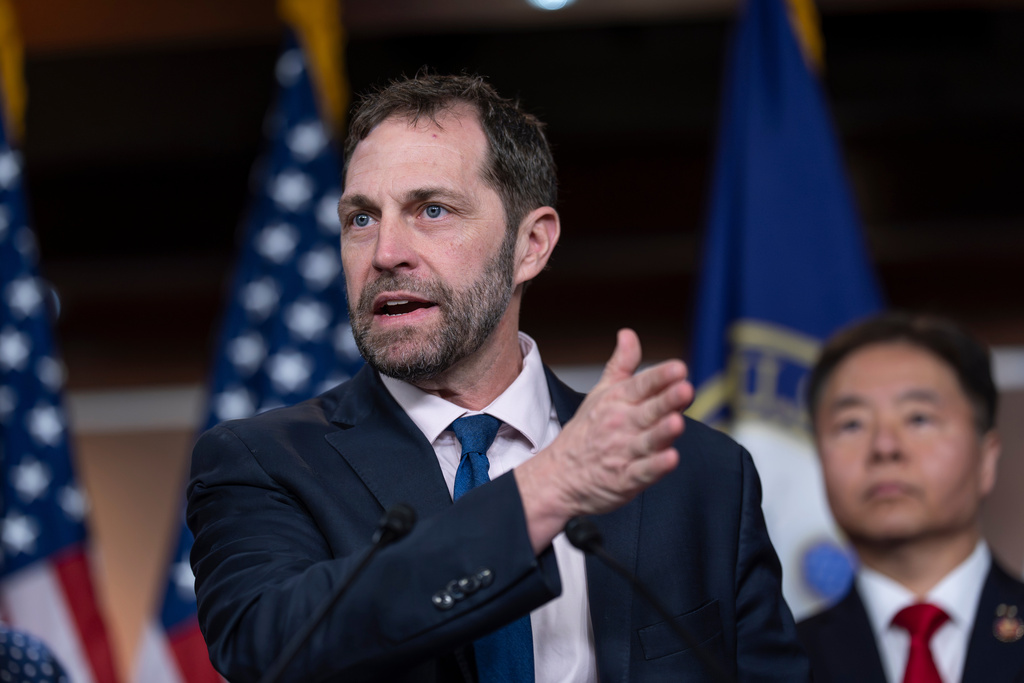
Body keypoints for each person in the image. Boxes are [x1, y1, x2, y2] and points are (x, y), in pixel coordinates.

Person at [187, 72, 808, 683]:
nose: (384, 253)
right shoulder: (262, 462)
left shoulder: (701, 477)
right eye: (361, 219)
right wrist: (549, 487)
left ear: (530, 245)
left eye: (431, 209)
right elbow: (267, 646)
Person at [797, 312, 1024, 682]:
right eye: (851, 424)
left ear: (986, 457)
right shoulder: (774, 663)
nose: (885, 447)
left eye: (918, 418)